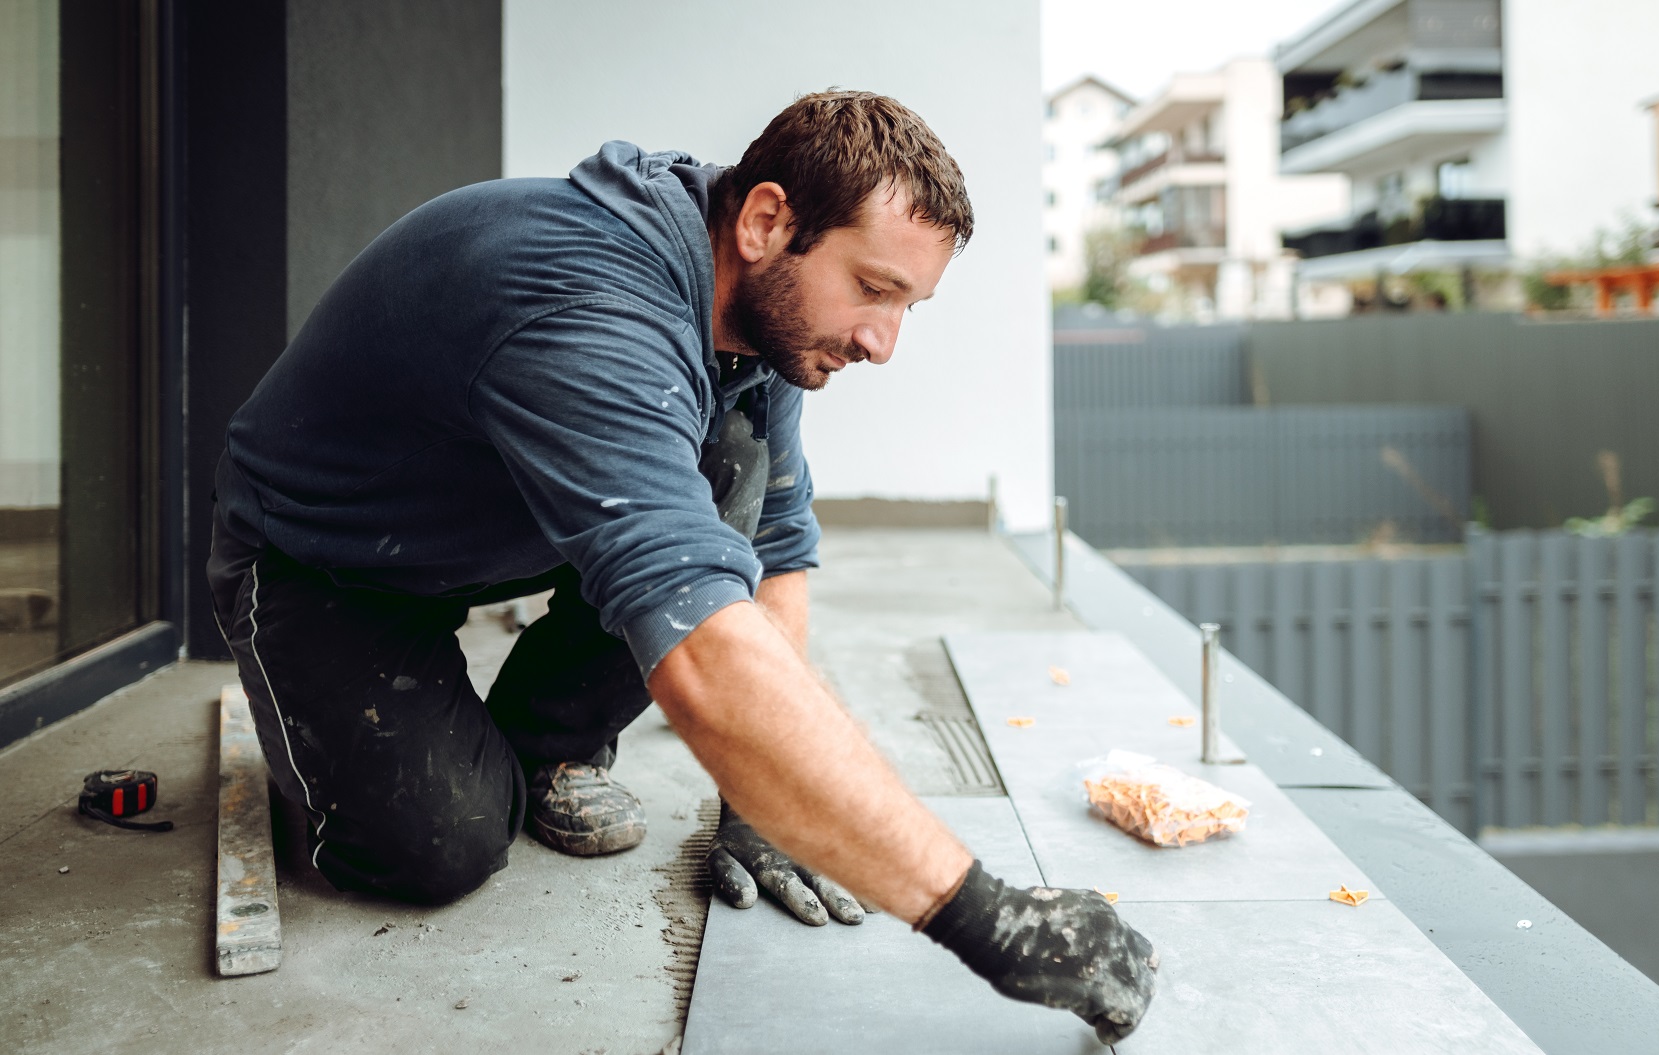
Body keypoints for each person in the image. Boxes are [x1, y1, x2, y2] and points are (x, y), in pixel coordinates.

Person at [204, 91, 1157, 1041]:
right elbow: (704, 654)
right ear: (766, 221)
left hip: (491, 521)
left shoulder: (751, 315)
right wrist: (992, 923)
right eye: (872, 288)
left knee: (730, 465)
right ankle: (321, 718)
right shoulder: (587, 301)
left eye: (908, 304)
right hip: (326, 564)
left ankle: (549, 742)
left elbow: (773, 541)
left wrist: (763, 799)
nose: (882, 343)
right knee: (441, 846)